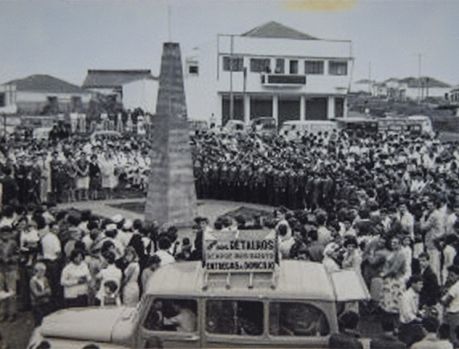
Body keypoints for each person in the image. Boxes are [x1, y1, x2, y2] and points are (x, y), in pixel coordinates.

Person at [398, 275, 425, 347]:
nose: (422, 286)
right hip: (406, 327)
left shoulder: (416, 294)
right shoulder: (406, 296)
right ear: (413, 284)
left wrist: (421, 313)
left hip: (414, 325)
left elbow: (415, 310)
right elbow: (407, 314)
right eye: (420, 284)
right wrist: (419, 319)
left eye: (422, 284)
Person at [441, 265, 459, 347]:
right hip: (456, 313)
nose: (450, 277)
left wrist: (440, 298)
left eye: (452, 275)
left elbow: (445, 302)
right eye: (449, 275)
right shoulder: (454, 286)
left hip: (453, 315)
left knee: (452, 338)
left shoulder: (455, 287)